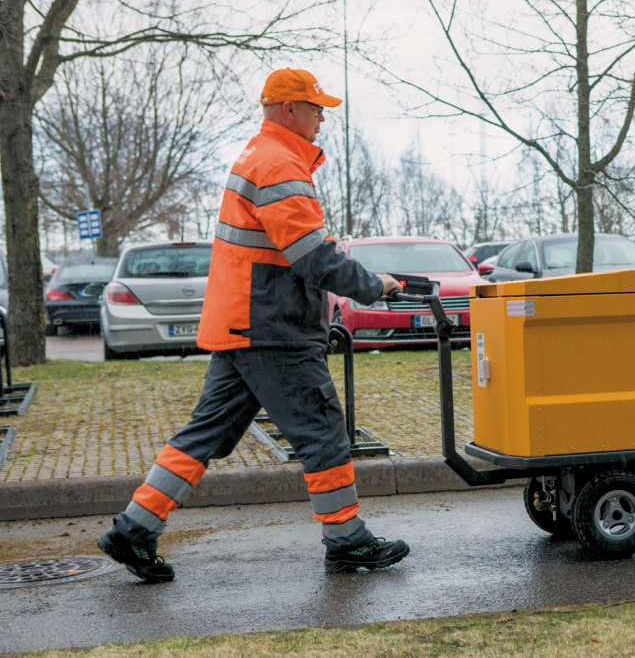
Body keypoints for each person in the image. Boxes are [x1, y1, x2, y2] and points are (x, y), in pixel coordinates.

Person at [97, 68, 409, 583]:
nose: (322, 117)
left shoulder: (258, 155)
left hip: (244, 323)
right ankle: (347, 541)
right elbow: (312, 257)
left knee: (203, 435)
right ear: (288, 109)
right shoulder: (279, 162)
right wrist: (375, 285)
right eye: (315, 108)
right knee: (323, 432)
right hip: (273, 329)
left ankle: (133, 529)